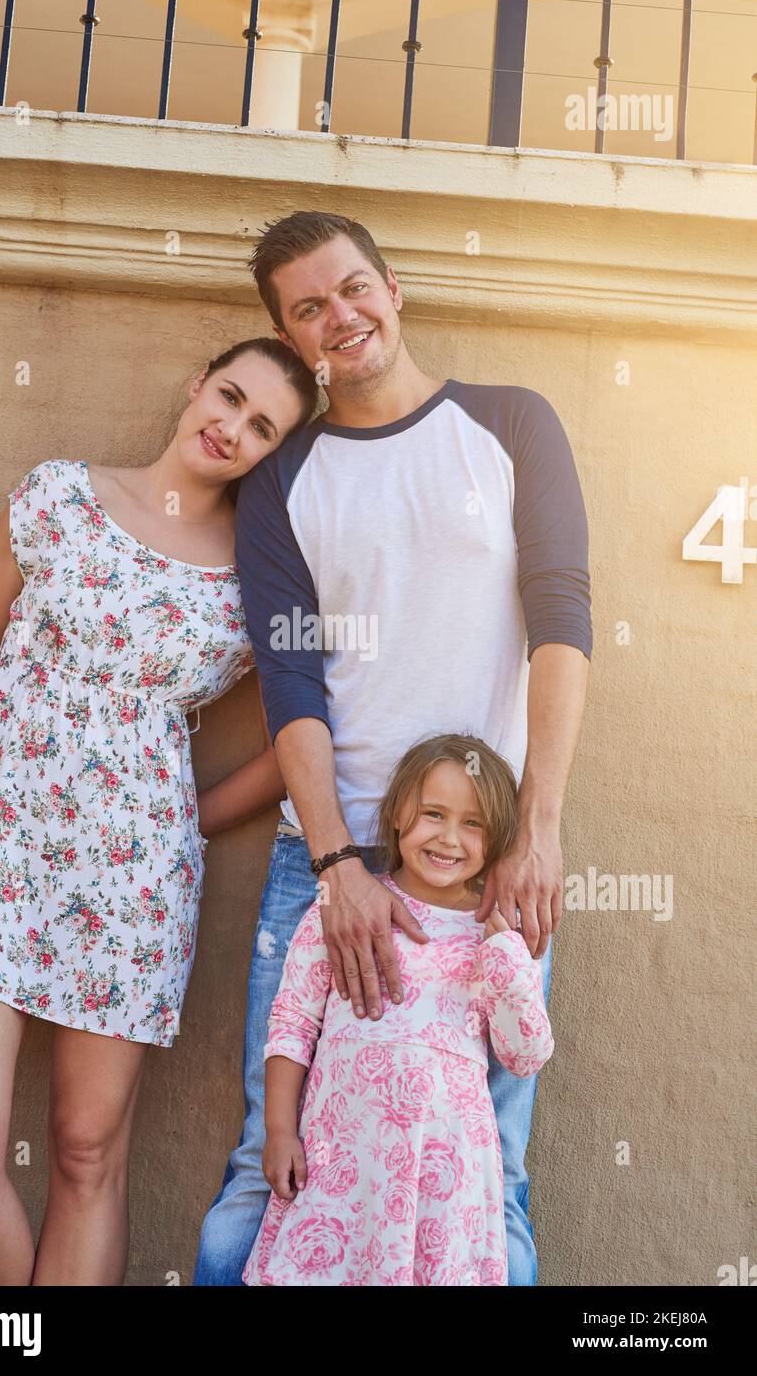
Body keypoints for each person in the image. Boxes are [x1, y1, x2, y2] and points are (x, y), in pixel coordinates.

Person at [194, 210, 591, 1287]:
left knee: (488, 1175)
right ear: (292, 334)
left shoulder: (512, 423)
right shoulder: (284, 480)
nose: (341, 316)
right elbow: (293, 683)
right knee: (266, 1170)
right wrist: (333, 863)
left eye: (352, 287)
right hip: (324, 868)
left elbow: (561, 618)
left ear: (395, 285)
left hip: (490, 868)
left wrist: (538, 832)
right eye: (308, 309)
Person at [0, 337, 318, 1286]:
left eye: (262, 428)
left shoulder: (260, 577)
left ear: (271, 454)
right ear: (197, 384)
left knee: (88, 1154)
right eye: (229, 397)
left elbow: (304, 731)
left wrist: (178, 820)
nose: (231, 428)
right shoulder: (55, 495)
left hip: (135, 885)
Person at [242, 734, 554, 1286]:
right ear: (396, 816)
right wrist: (278, 1131)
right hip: (344, 1162)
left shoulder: (493, 937)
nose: (449, 838)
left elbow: (525, 1055)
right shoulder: (345, 912)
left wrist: (505, 952)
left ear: (498, 838)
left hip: (443, 1182)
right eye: (433, 814)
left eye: (474, 824)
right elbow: (292, 1021)